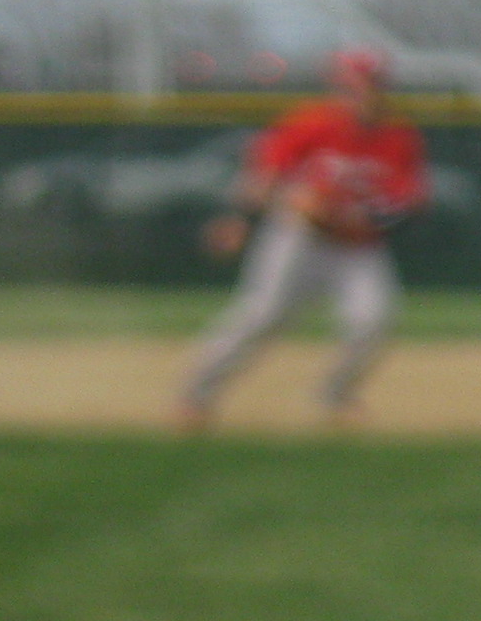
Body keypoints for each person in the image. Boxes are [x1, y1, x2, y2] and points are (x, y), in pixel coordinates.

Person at [174, 48, 428, 428]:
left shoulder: (398, 136)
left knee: (372, 321)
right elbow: (267, 174)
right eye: (350, 84)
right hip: (298, 239)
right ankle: (196, 395)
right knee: (262, 317)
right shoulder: (311, 123)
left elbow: (407, 204)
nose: (358, 92)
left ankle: (335, 396)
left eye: (368, 84)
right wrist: (241, 219)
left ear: (382, 88)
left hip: (358, 248)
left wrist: (355, 217)